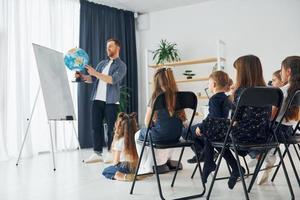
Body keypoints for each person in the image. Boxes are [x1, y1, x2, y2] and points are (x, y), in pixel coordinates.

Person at [198, 55, 271, 189]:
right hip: (263, 136)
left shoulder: (243, 92)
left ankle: (213, 164)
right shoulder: (269, 91)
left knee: (207, 127)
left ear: (243, 72)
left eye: (237, 71)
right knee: (213, 129)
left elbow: (234, 119)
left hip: (242, 136)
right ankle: (225, 166)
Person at [76, 38, 127, 163]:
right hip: (97, 100)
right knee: (95, 127)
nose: (107, 49)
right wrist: (82, 77)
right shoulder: (102, 63)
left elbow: (112, 80)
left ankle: (110, 152)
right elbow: (92, 79)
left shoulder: (121, 65)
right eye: (107, 47)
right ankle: (97, 153)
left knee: (111, 129)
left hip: (111, 101)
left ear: (117, 48)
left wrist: (95, 73)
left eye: (110, 46)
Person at [256, 56, 300, 185]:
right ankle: (264, 156)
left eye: (281, 70)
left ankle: (264, 156)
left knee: (249, 129)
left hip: (275, 132)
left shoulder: (281, 91)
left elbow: (271, 116)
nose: (280, 73)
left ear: (288, 71)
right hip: (289, 131)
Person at [135, 68, 187, 174]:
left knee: (138, 135)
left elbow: (146, 121)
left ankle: (144, 166)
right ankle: (152, 164)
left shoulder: (156, 97)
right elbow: (183, 118)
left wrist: (153, 124)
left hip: (160, 136)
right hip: (176, 135)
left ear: (156, 81)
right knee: (160, 133)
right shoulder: (178, 96)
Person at [184, 71, 232, 164]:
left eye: (208, 83)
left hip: (213, 130)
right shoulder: (226, 98)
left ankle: (201, 153)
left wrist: (201, 126)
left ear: (214, 84)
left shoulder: (214, 99)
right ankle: (204, 153)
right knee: (194, 130)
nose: (208, 85)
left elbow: (214, 119)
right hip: (223, 130)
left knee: (185, 132)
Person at [102, 112, 139, 181]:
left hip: (124, 167)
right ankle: (131, 175)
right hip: (136, 167)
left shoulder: (120, 140)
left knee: (106, 170)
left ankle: (122, 176)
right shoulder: (137, 138)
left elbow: (116, 162)